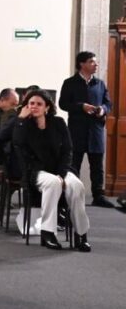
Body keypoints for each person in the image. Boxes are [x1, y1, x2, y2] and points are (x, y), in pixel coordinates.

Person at [12, 89, 91, 251]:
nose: (34, 107)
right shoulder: (23, 125)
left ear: (47, 107)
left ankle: (81, 235)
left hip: (60, 168)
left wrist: (62, 174)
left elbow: (68, 150)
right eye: (31, 103)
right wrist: (20, 119)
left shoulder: (58, 123)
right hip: (36, 172)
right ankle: (48, 233)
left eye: (39, 104)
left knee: (77, 186)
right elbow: (17, 143)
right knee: (53, 183)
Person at [58, 51, 115, 208]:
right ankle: (71, 194)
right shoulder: (70, 82)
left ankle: (98, 196)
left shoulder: (100, 83)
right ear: (82, 64)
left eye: (95, 62)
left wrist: (103, 109)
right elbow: (63, 104)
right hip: (77, 130)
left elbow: (108, 103)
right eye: (92, 62)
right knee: (73, 164)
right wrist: (81, 106)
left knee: (97, 166)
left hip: (96, 130)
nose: (96, 65)